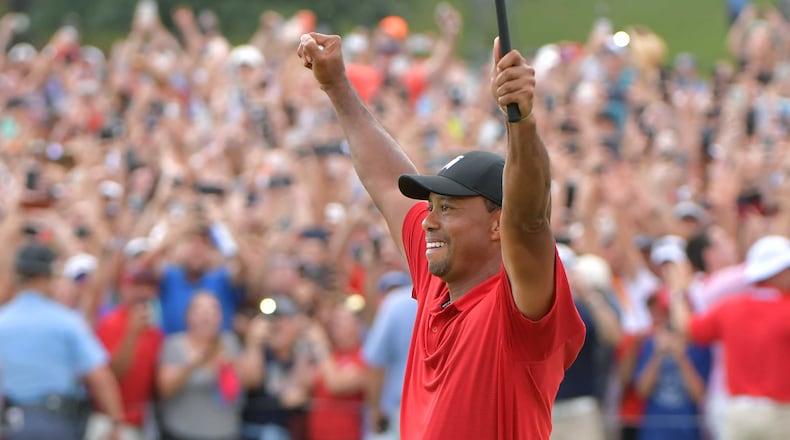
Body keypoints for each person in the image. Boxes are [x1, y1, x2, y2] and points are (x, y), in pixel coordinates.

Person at [298, 31, 585, 438]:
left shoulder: (518, 307)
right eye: (431, 206)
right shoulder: (437, 282)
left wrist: (520, 121)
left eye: (447, 207)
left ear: (495, 224)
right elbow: (385, 181)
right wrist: (337, 86)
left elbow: (530, 219)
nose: (430, 220)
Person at [0, 241, 124, 440]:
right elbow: (99, 375)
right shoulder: (66, 321)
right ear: (45, 277)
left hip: (10, 425)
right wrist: (116, 421)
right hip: (56, 424)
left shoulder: (2, 320)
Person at [672, 235, 790, 439]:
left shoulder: (730, 307)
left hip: (737, 412)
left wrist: (678, 294)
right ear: (777, 271)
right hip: (780, 412)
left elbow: (687, 329)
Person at [362, 271, 416, 440]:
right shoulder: (448, 295)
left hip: (400, 410)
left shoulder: (395, 303)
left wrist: (374, 410)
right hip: (435, 406)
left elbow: (375, 364)